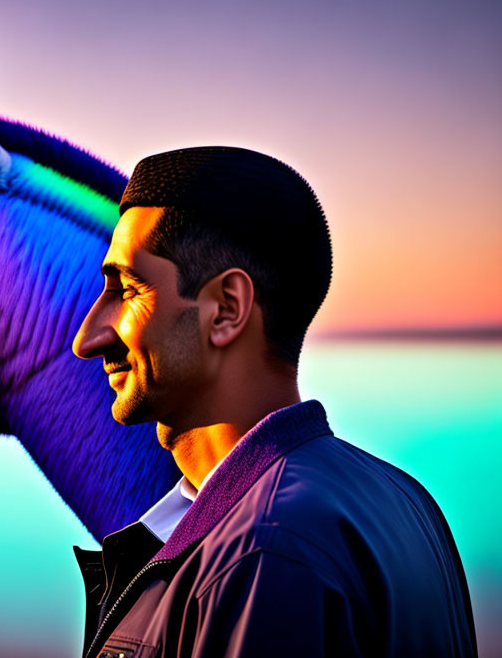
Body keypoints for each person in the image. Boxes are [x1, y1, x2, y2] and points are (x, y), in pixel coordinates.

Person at [71, 147, 476, 658]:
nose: (87, 338)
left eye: (127, 289)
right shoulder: (405, 500)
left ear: (226, 309)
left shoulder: (261, 553)